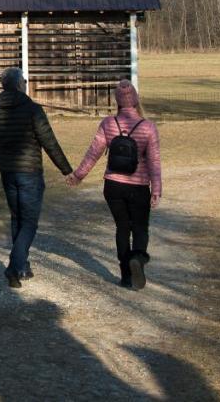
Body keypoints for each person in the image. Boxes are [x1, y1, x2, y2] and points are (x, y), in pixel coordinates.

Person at [66, 80, 161, 290]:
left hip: (113, 186)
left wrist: (78, 175)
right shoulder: (148, 127)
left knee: (122, 228)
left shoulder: (108, 124)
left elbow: (93, 153)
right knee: (140, 228)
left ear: (117, 101)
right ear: (135, 100)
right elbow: (153, 161)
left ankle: (126, 275)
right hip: (138, 187)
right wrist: (157, 189)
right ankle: (137, 258)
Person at [0, 67, 74, 288]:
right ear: (18, 85)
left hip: (8, 173)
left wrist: (2, 162)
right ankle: (15, 266)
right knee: (29, 222)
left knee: (17, 219)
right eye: (23, 81)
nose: (25, 84)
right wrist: (66, 170)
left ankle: (22, 267)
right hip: (30, 173)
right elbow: (49, 142)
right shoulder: (32, 110)